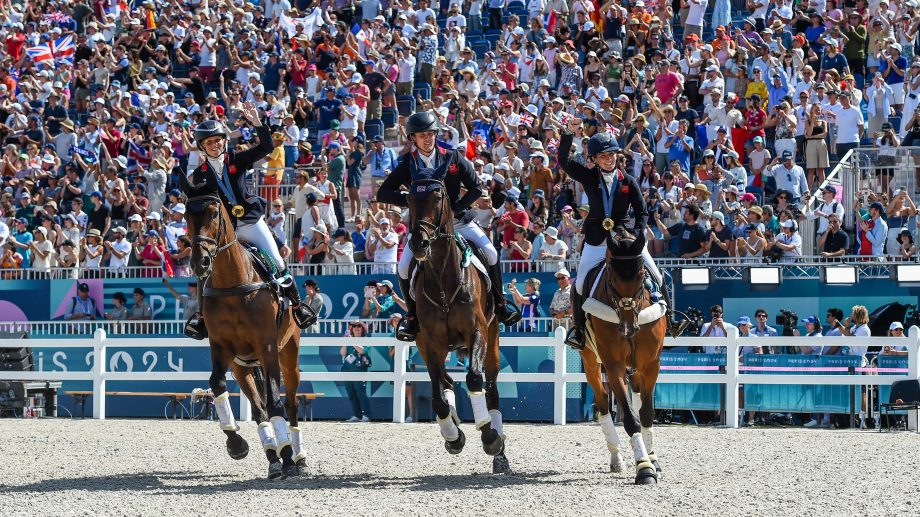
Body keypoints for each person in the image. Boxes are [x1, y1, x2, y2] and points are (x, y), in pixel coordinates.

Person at [376, 111, 521, 341]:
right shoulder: (408, 162)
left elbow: (475, 187)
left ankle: (501, 305)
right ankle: (413, 319)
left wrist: (455, 208)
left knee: (491, 254)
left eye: (431, 134)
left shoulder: (452, 157)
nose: (428, 139)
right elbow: (382, 191)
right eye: (423, 135)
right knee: (403, 268)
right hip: (425, 228)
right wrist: (411, 201)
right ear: (413, 138)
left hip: (457, 221)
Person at [183, 104, 316, 339]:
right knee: (205, 271)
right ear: (202, 147)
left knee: (276, 261)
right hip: (226, 230)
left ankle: (298, 307)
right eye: (210, 142)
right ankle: (202, 318)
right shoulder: (200, 174)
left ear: (224, 141)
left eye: (218, 140)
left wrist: (256, 122)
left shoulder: (236, 158)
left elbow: (266, 146)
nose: (216, 145)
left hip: (251, 222)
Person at [557, 119, 657, 350]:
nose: (609, 159)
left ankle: (670, 320)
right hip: (597, 240)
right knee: (580, 285)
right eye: (603, 156)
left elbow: (642, 212)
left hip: (626, 240)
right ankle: (579, 332)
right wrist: (568, 133)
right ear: (593, 159)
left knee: (658, 276)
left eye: (612, 154)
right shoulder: (589, 177)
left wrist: (634, 233)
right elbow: (564, 160)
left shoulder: (628, 181)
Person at [340, 321, 371, 423]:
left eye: (359, 326)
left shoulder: (365, 339)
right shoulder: (348, 339)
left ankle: (366, 415)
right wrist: (346, 341)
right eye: (354, 326)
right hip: (347, 370)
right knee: (351, 394)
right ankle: (357, 415)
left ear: (362, 328)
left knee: (361, 393)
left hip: (360, 370)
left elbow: (362, 351)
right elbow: (343, 353)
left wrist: (352, 341)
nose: (356, 328)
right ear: (351, 329)